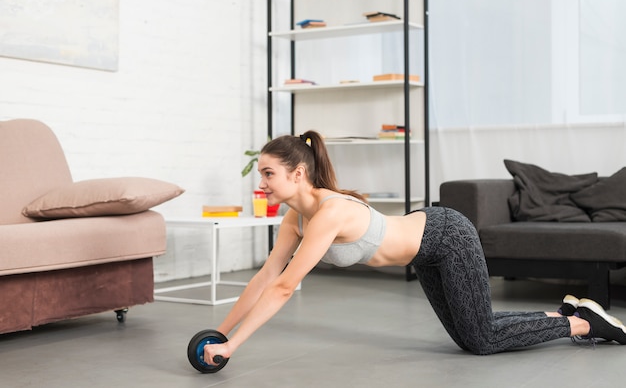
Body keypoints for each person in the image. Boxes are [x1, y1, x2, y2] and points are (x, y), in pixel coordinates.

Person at [204, 130, 626, 363]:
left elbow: (283, 288)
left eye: (268, 173)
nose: (260, 182)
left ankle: (586, 323)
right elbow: (266, 276)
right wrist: (220, 332)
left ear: (297, 174)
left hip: (447, 235)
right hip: (427, 252)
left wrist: (232, 349)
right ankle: (570, 311)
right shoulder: (295, 218)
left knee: (481, 339)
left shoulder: (329, 212)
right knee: (474, 335)